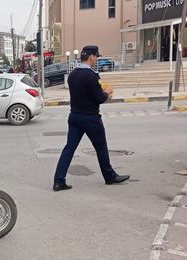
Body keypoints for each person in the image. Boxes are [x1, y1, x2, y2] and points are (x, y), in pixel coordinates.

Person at [53, 45, 130, 192]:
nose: (96, 60)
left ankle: (58, 180)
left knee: (69, 148)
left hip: (74, 116)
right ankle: (110, 176)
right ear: (91, 57)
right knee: (101, 148)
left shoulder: (73, 74)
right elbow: (99, 98)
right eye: (96, 57)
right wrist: (107, 91)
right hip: (90, 118)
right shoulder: (91, 76)